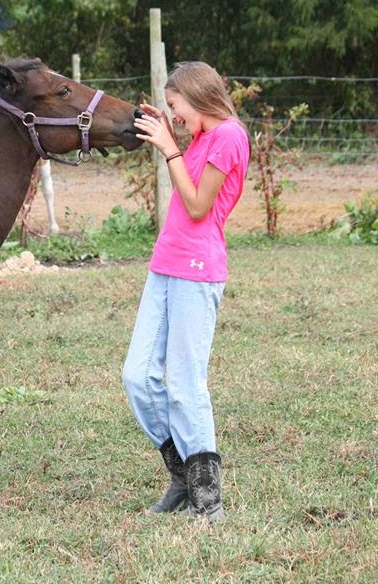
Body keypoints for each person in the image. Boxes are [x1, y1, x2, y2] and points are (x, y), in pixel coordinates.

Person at [122, 61, 250, 521]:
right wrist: (169, 131)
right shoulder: (200, 138)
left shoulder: (229, 136)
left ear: (198, 98)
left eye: (176, 106)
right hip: (165, 266)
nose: (174, 115)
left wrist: (169, 148)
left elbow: (197, 206)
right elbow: (185, 168)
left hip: (197, 271)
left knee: (184, 384)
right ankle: (182, 475)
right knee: (138, 377)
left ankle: (207, 501)